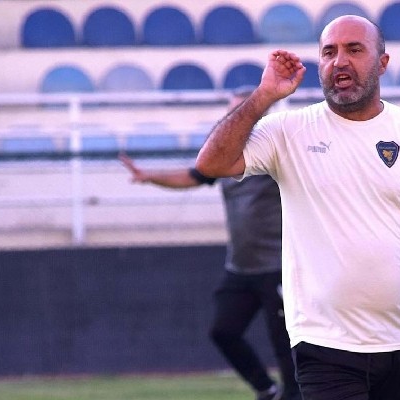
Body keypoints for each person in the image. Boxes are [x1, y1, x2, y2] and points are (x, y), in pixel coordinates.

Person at [194, 15, 400, 399]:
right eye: (329, 52)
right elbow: (210, 164)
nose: (340, 61)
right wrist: (263, 96)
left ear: (382, 63)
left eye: (354, 50)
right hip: (322, 342)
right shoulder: (289, 131)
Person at [120, 86, 300, 400]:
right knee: (223, 331)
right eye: (231, 111)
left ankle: (292, 395)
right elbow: (193, 176)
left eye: (241, 110)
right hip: (241, 267)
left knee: (284, 343)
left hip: (278, 266)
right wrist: (149, 177)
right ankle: (266, 390)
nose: (234, 116)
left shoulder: (275, 151)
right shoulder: (223, 156)